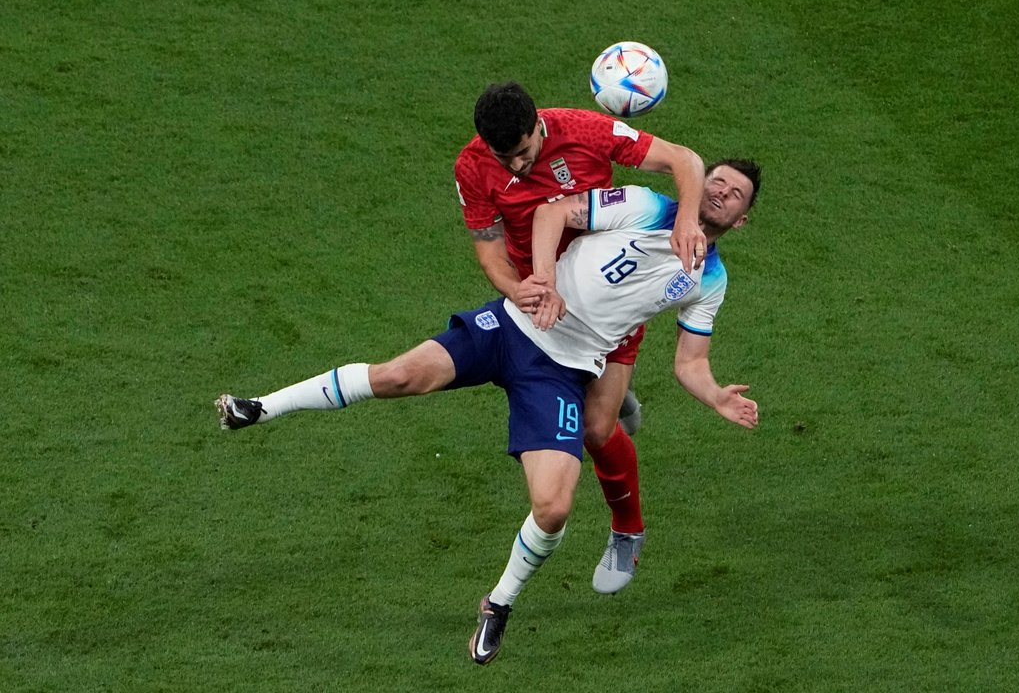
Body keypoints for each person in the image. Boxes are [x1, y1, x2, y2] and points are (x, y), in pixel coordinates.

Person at [214, 158, 762, 665]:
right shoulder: (645, 204)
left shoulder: (708, 282)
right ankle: (258, 407)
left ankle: (498, 604)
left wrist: (716, 396)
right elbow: (555, 211)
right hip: (510, 326)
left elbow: (692, 361)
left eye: (736, 194)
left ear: (740, 221)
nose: (721, 191)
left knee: (552, 507)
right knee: (398, 375)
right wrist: (543, 280)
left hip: (561, 375)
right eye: (717, 180)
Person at [455, 81, 707, 593]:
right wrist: (519, 289)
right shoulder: (473, 165)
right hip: (545, 307)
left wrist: (684, 221)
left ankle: (627, 529)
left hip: (609, 300)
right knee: (587, 415)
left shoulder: (586, 130)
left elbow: (685, 160)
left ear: (537, 127)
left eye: (523, 153)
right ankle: (611, 394)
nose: (516, 168)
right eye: (505, 158)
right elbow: (489, 251)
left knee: (596, 430)